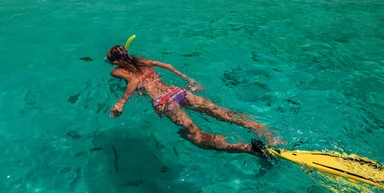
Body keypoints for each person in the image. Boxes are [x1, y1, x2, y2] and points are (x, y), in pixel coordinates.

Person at [106, 44, 285, 156]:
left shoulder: (117, 71)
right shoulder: (144, 61)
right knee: (223, 113)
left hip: (164, 101)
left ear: (114, 62)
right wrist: (189, 80)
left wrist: (121, 101)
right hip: (177, 91)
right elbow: (167, 66)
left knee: (194, 134)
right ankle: (262, 130)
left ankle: (248, 148)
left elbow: (135, 80)